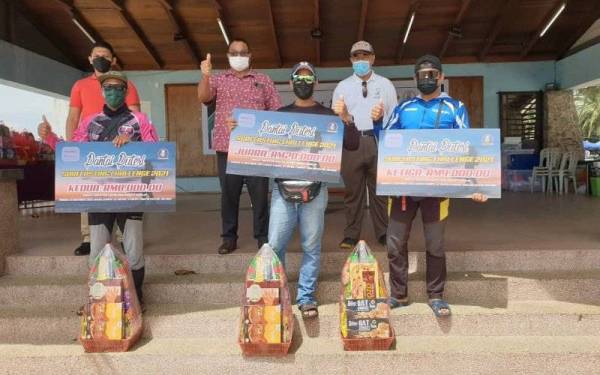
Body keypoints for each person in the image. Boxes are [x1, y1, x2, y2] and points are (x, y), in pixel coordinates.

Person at [371, 54, 487, 317]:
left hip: (438, 190)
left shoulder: (454, 108)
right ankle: (398, 295)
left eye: (433, 74)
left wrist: (476, 185)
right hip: (403, 189)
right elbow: (386, 141)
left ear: (441, 77)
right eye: (422, 75)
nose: (428, 79)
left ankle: (436, 296)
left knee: (435, 244)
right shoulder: (403, 108)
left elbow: (467, 147)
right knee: (394, 242)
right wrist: (378, 122)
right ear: (415, 78)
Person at [38, 71, 157, 307]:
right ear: (102, 92)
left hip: (130, 196)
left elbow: (155, 151)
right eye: (108, 88)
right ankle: (97, 299)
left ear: (126, 91)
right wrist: (49, 137)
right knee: (96, 252)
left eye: (118, 88)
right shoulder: (89, 122)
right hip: (98, 196)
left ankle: (137, 298)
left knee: (134, 251)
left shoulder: (140, 121)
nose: (113, 92)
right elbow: (72, 152)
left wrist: (133, 144)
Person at [264, 62, 359, 318]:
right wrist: (237, 131)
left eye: (308, 79)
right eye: (299, 78)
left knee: (311, 245)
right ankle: (277, 294)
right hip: (282, 191)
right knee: (275, 245)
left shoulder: (329, 116)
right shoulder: (279, 116)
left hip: (316, 190)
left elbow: (352, 143)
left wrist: (347, 119)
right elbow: (259, 146)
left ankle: (306, 297)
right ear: (290, 83)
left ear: (316, 84)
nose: (303, 83)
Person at [40, 41, 141, 256]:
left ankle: (124, 237)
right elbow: (73, 117)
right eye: (97, 55)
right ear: (89, 58)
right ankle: (88, 238)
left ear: (113, 60)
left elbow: (137, 119)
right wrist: (73, 149)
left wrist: (129, 137)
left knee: (122, 191)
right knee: (89, 193)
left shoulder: (127, 85)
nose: (101, 58)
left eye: (105, 55)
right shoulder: (80, 86)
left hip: (120, 148)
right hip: (89, 145)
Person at [197, 39, 281, 254]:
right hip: (227, 148)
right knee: (228, 195)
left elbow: (276, 111)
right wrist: (206, 74)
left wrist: (259, 124)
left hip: (256, 150)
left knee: (260, 196)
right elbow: (204, 97)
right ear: (227, 56)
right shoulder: (219, 79)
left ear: (250, 55)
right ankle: (229, 237)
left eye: (243, 52)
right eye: (234, 53)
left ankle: (263, 238)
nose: (239, 56)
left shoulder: (263, 80)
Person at [331, 41, 397, 250]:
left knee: (381, 192)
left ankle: (384, 232)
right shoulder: (342, 86)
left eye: (365, 56)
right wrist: (343, 116)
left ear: (373, 58)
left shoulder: (386, 84)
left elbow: (393, 117)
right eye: (356, 56)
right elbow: (338, 119)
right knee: (352, 193)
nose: (361, 60)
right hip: (352, 142)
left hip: (378, 141)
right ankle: (351, 234)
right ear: (351, 60)